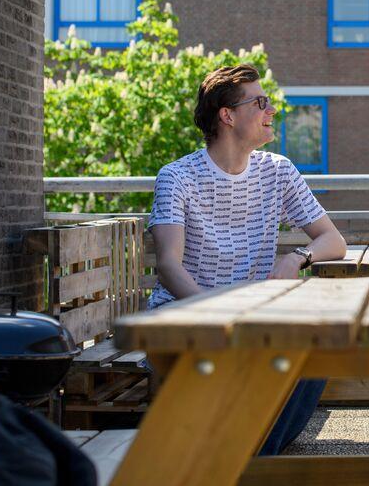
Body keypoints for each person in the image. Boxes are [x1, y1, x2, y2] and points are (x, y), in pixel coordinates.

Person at [147, 64, 347, 455]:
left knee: (321, 345)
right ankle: (250, 459)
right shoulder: (177, 177)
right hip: (190, 315)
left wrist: (297, 258)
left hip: (252, 322)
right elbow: (169, 265)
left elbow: (332, 240)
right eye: (260, 102)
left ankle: (242, 458)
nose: (271, 110)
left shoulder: (278, 172)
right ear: (228, 115)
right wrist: (219, 314)